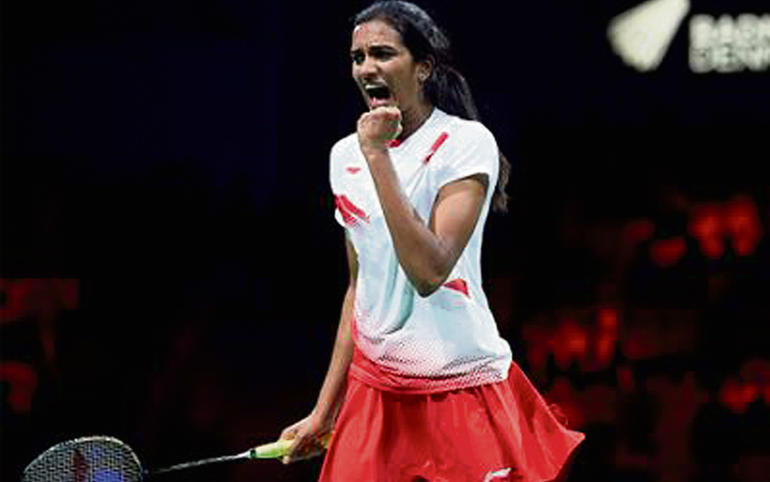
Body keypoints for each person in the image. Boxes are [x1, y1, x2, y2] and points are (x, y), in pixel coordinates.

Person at [279, 2, 584, 480]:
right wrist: (325, 410)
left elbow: (429, 272)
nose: (366, 68)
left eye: (383, 54)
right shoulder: (344, 156)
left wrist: (378, 155)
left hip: (457, 387)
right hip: (375, 393)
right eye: (358, 57)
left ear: (423, 67)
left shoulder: (464, 143)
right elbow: (360, 288)